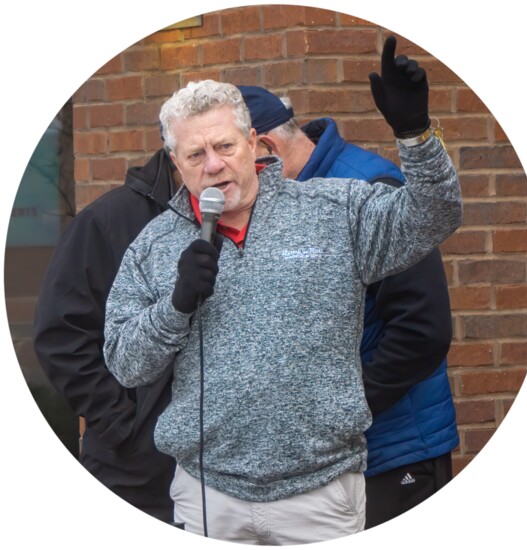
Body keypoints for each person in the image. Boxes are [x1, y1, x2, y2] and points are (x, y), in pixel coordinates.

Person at [103, 36, 462, 545]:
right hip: (209, 498)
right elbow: (123, 361)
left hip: (319, 493)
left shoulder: (334, 210)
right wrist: (175, 307)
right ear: (174, 161)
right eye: (195, 153)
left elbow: (435, 216)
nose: (213, 164)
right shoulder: (154, 245)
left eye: (225, 146)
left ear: (253, 143)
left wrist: (416, 135)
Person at [238, 81, 459, 528]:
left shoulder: (368, 186)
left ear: (264, 148)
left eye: (234, 163)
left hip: (391, 455)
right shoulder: (283, 202)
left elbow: (422, 330)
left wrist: (332, 414)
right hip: (331, 460)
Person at [33, 147, 179, 522]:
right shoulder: (108, 219)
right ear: (176, 151)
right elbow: (61, 335)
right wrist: (120, 424)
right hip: (135, 472)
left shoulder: (244, 219)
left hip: (223, 471)